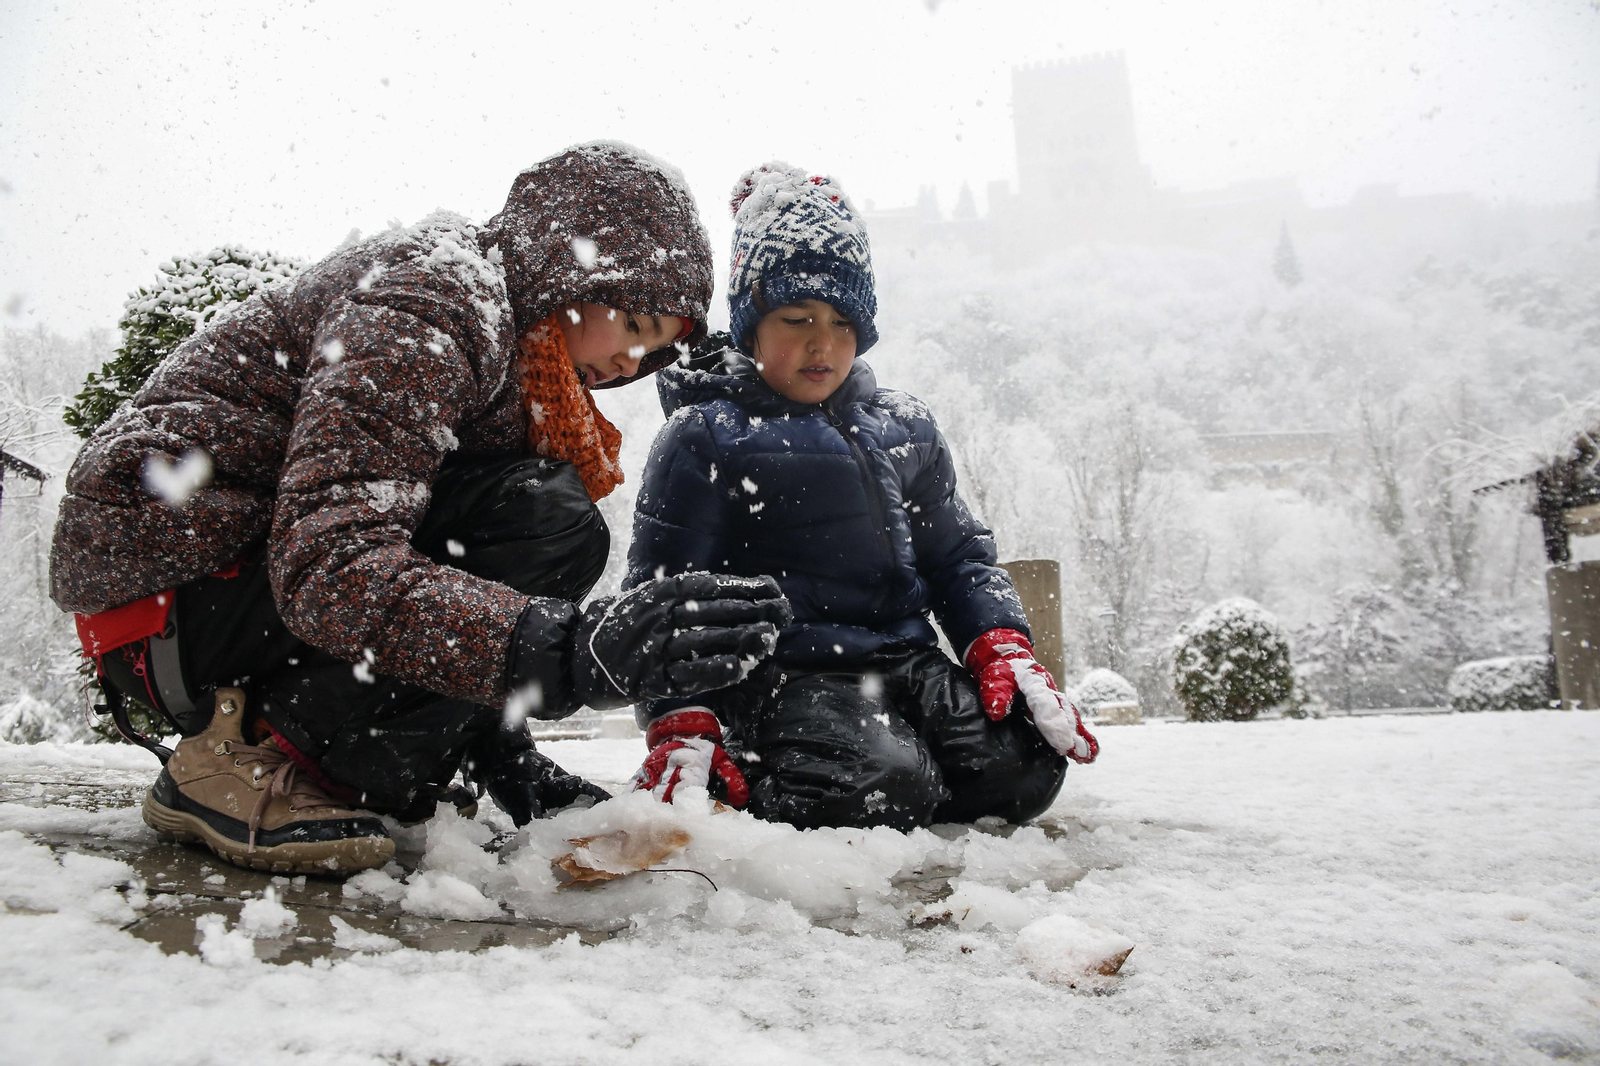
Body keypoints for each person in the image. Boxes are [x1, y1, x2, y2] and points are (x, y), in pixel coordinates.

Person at [50, 142, 790, 875]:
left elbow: (434, 547)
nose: (631, 364)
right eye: (632, 324)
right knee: (545, 520)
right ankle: (254, 758)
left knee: (548, 519)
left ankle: (374, 756)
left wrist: (501, 749)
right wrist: (563, 653)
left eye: (654, 351)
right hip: (165, 596)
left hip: (231, 597)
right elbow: (331, 563)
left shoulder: (511, 360)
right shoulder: (432, 304)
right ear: (567, 266)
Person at [623, 163, 1097, 831]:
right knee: (877, 785)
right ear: (751, 325)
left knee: (1023, 765)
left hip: (905, 661)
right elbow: (667, 593)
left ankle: (889, 782)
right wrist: (681, 716)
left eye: (844, 322)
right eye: (797, 318)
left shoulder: (904, 427)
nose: (823, 341)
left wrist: (998, 641)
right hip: (785, 674)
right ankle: (752, 782)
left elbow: (957, 555)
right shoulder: (707, 436)